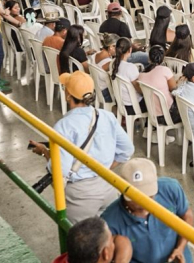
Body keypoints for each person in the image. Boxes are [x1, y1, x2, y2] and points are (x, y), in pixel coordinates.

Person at [29, 72, 133, 223]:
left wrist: (45, 152)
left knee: (82, 242)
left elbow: (60, 169)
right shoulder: (106, 116)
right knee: (108, 238)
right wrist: (104, 169)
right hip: (108, 185)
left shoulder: (63, 126)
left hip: (81, 195)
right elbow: (127, 149)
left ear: (68, 95)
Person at [102, 158, 194, 263]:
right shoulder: (110, 221)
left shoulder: (170, 189)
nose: (143, 203)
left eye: (149, 195)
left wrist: (180, 247)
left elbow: (187, 215)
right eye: (135, 198)